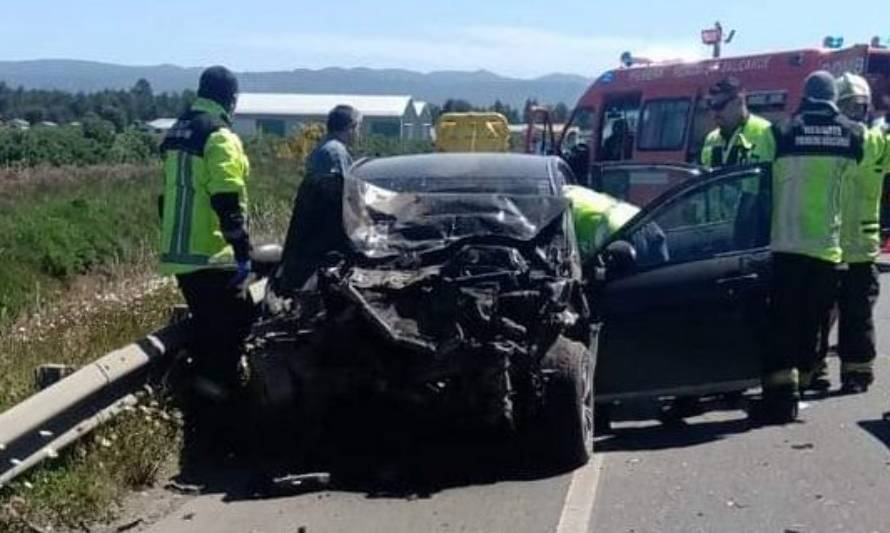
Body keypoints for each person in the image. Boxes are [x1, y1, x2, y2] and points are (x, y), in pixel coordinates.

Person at [753, 71, 871, 424]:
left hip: (786, 245)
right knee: (811, 324)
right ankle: (801, 385)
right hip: (827, 249)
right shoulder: (854, 135)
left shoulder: (780, 132)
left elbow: (757, 190)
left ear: (804, 95)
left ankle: (780, 399)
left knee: (781, 324)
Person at [158, 65, 254, 401]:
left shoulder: (178, 130)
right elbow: (226, 197)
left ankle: (199, 400)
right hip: (211, 253)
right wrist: (242, 250)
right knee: (231, 334)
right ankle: (219, 416)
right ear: (231, 98)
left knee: (210, 334)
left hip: (180, 253)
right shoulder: (219, 135)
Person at [834, 73, 889, 394]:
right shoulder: (870, 140)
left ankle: (857, 373)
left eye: (860, 106)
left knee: (857, 317)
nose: (856, 111)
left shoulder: (873, 141)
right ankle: (821, 372)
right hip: (833, 245)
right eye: (850, 106)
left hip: (849, 247)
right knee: (827, 315)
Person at [275, 105, 362, 293]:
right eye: (358, 128)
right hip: (322, 246)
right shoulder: (335, 154)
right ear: (351, 127)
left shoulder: (325, 148)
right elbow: (336, 204)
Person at [700, 77, 776, 168]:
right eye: (711, 105)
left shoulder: (765, 131)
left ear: (739, 102)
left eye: (720, 105)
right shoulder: (711, 139)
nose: (715, 113)